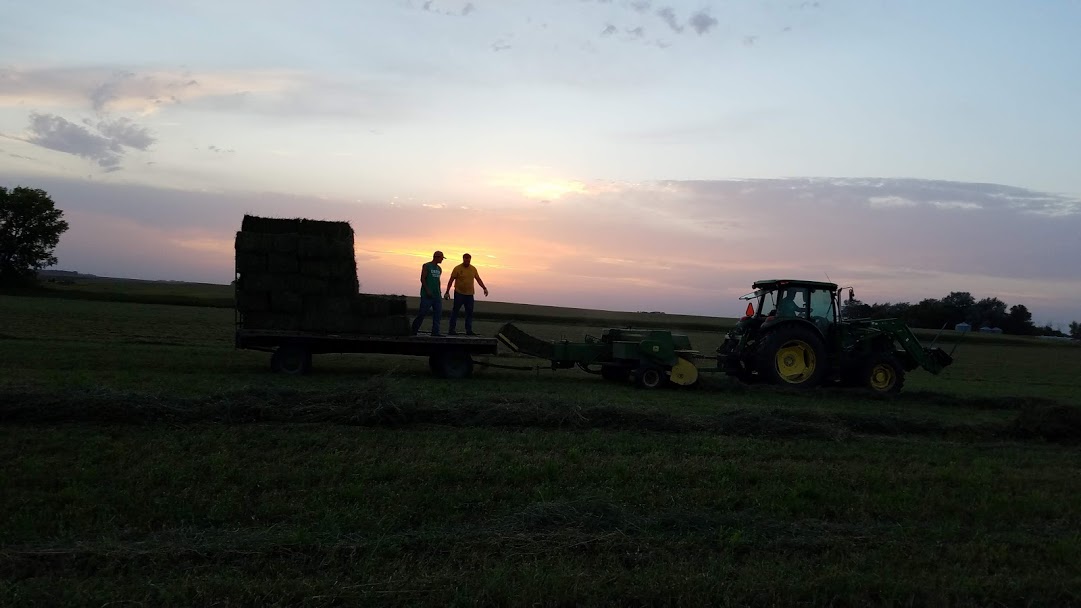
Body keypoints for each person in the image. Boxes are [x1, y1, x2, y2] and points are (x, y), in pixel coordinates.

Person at [443, 253, 488, 336]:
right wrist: (447, 291)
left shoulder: (473, 269)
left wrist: (484, 288)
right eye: (466, 259)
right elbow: (451, 280)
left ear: (470, 259)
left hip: (470, 295)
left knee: (469, 313)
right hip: (459, 293)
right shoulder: (457, 268)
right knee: (455, 312)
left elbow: (478, 279)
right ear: (463, 259)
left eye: (469, 259)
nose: (467, 261)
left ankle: (469, 330)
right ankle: (451, 330)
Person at [411, 250, 445, 336]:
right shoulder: (427, 266)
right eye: (441, 258)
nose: (442, 260)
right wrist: (427, 290)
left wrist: (440, 292)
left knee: (438, 314)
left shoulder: (439, 269)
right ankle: (413, 330)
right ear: (436, 257)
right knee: (422, 313)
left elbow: (438, 281)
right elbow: (422, 279)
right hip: (427, 295)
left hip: (437, 295)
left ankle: (435, 332)